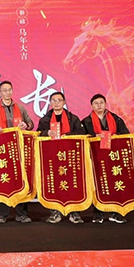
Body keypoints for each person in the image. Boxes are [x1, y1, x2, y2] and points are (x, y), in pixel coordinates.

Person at [0, 80, 34, 223]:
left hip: (18, 150)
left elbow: (31, 123)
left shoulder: (20, 108)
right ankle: (2, 214)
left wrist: (26, 125)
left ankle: (21, 214)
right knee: (3, 181)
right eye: (4, 90)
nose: (7, 92)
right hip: (2, 152)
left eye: (9, 90)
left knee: (21, 179)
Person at [37, 91, 86, 224]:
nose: (57, 103)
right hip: (52, 157)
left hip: (70, 157)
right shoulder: (45, 120)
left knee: (74, 183)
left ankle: (74, 212)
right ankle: (55, 212)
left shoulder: (73, 118)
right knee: (53, 184)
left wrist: (67, 136)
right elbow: (37, 134)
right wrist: (46, 132)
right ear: (50, 103)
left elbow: (81, 132)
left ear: (64, 102)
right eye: (54, 100)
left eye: (59, 100)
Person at [82, 94, 131, 224]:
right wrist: (94, 136)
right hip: (96, 158)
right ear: (92, 106)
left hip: (114, 158)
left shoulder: (115, 118)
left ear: (105, 104)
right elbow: (82, 137)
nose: (99, 105)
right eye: (96, 103)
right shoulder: (86, 121)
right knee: (98, 184)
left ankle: (116, 212)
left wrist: (114, 136)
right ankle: (98, 213)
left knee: (115, 184)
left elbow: (125, 133)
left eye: (101, 102)